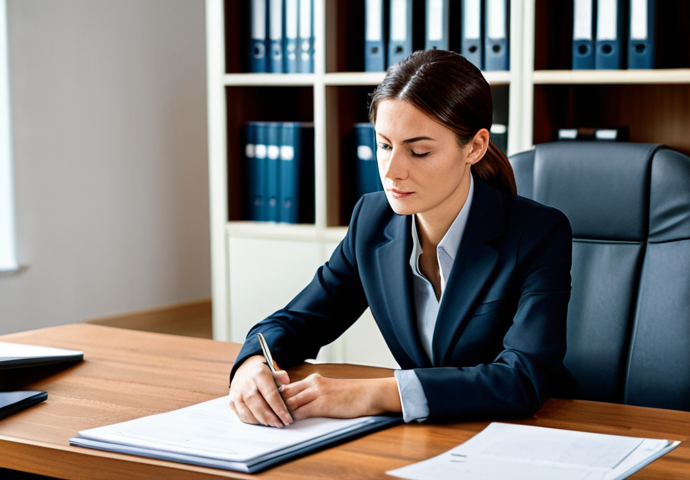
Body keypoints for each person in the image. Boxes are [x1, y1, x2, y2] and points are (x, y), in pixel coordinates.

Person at [229, 49, 575, 428]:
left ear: (474, 147)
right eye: (384, 146)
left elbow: (522, 378)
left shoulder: (538, 232)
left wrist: (372, 393)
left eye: (419, 151)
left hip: (529, 431)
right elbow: (296, 321)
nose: (392, 172)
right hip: (427, 434)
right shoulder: (372, 220)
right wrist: (252, 363)